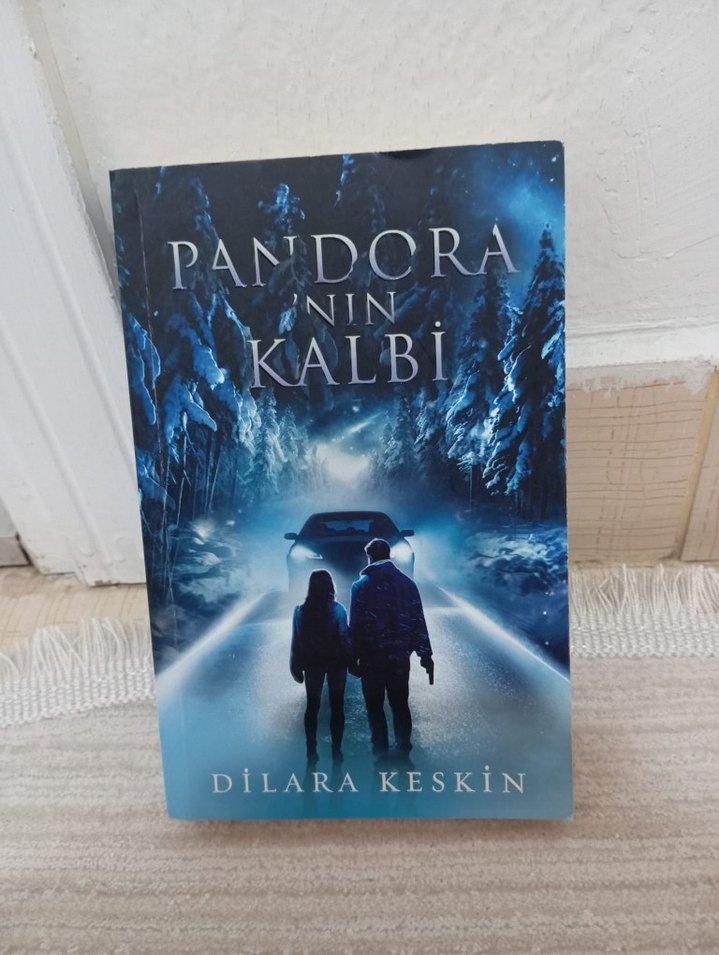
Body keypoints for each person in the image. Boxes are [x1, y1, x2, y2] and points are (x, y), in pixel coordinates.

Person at [349, 538, 433, 757]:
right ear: (388, 555)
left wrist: (352, 658)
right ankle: (403, 748)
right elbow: (418, 619)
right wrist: (425, 655)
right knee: (400, 703)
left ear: (369, 557)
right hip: (399, 656)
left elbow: (356, 626)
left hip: (371, 657)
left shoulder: (360, 586)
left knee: (374, 706)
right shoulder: (407, 584)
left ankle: (381, 750)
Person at [290, 569, 350, 762]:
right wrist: (352, 661)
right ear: (330, 586)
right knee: (337, 707)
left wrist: (295, 664)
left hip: (312, 663)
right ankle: (336, 750)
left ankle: (311, 750)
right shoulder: (338, 609)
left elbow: (296, 639)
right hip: (336, 662)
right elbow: (344, 638)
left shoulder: (300, 611)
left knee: (312, 706)